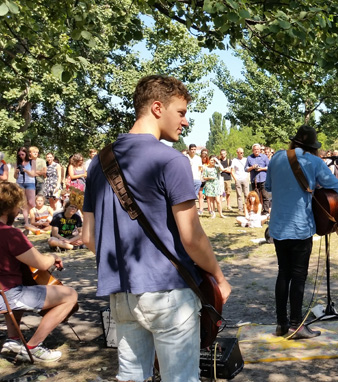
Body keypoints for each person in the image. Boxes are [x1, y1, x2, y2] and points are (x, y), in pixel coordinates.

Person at [82, 75, 231, 381]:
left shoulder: (99, 162)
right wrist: (219, 278)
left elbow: (88, 237)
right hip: (169, 291)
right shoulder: (171, 160)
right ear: (158, 107)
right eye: (181, 112)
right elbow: (191, 237)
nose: (185, 122)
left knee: (132, 376)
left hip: (122, 293)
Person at [265, 125, 338, 340]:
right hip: (300, 227)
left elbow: (269, 186)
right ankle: (295, 326)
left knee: (283, 273)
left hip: (279, 226)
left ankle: (281, 324)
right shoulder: (314, 161)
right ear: (312, 147)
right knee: (298, 277)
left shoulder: (276, 158)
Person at [0, 182, 78, 362]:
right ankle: (33, 347)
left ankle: (13, 340)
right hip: (7, 296)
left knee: (20, 283)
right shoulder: (10, 234)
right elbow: (42, 264)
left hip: (4, 294)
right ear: (9, 207)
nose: (19, 211)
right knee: (70, 295)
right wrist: (53, 258)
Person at [14, 147, 36, 228]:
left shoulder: (32, 162)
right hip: (20, 183)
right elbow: (15, 177)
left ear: (26, 153)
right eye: (19, 154)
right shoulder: (17, 163)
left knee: (31, 203)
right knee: (23, 203)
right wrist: (16, 172)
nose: (21, 156)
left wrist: (25, 170)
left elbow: (33, 174)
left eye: (22, 154)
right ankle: (26, 221)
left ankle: (35, 218)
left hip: (30, 183)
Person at [246, 143, 271, 215]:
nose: (256, 151)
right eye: (255, 149)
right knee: (254, 197)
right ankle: (255, 211)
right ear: (252, 150)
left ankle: (266, 212)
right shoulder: (249, 158)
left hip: (263, 179)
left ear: (260, 150)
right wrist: (252, 167)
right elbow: (246, 169)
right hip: (254, 180)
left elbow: (269, 167)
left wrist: (261, 169)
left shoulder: (264, 157)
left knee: (265, 196)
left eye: (257, 149)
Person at [231, 148, 249, 213]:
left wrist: (247, 177)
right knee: (239, 195)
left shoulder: (246, 159)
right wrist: (235, 179)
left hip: (245, 179)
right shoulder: (234, 160)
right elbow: (232, 170)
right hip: (238, 179)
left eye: (242, 152)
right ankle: (240, 208)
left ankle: (247, 207)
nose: (241, 154)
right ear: (237, 153)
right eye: (240, 152)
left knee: (247, 194)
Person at [186, 143, 203, 213]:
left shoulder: (198, 158)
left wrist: (200, 177)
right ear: (189, 150)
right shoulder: (185, 157)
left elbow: (200, 168)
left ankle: (193, 209)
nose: (193, 151)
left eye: (194, 149)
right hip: (187, 179)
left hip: (196, 178)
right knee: (187, 195)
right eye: (192, 149)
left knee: (194, 196)